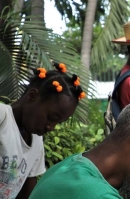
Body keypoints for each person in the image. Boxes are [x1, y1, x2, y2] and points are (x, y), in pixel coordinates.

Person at [0, 63, 84, 199]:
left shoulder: (36, 141)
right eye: (51, 118)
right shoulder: (3, 117)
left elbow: (27, 192)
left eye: (58, 123)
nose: (51, 127)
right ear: (32, 96)